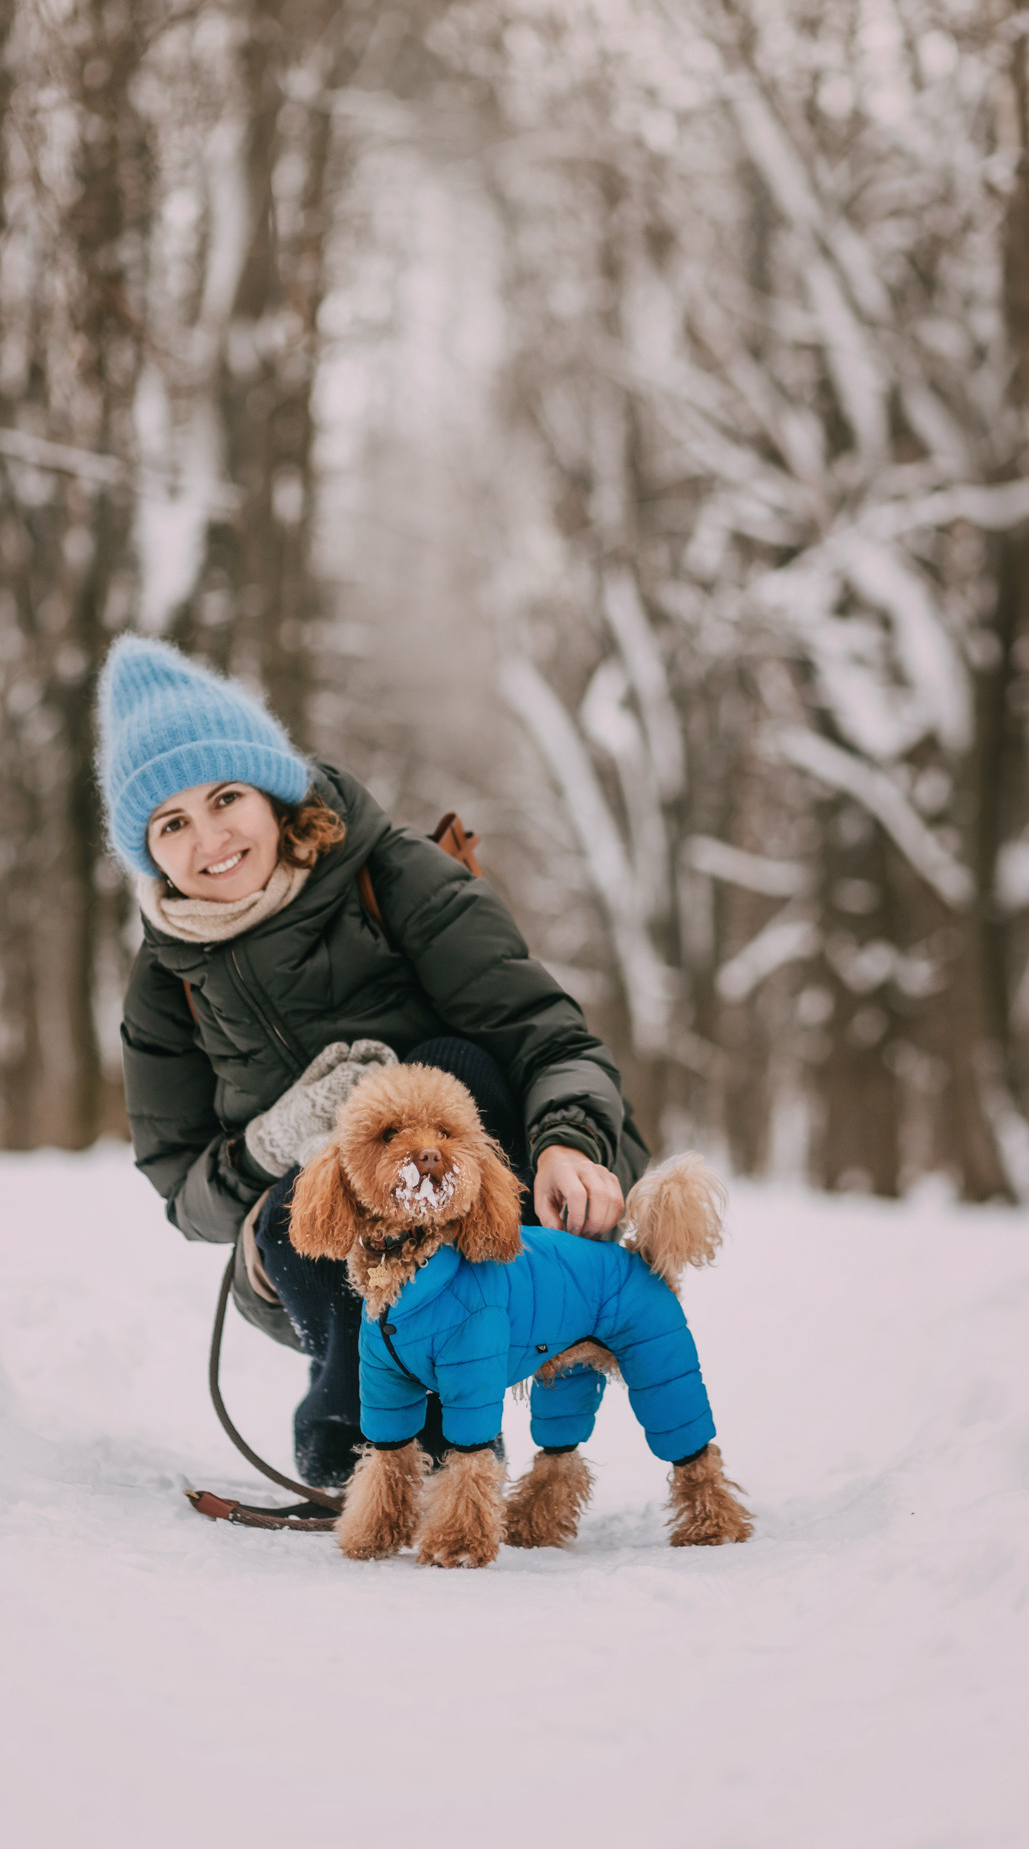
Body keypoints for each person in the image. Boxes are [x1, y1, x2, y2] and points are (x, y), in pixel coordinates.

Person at [97, 633, 649, 1487]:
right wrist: (267, 1145)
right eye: (171, 822)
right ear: (149, 852)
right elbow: (184, 1196)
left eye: (224, 796)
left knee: (445, 1064)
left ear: (273, 791)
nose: (209, 839)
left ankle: (450, 1430)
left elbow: (548, 1036)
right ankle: (363, 1437)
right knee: (308, 1188)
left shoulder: (392, 877)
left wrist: (572, 1139)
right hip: (305, 1251)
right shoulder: (166, 982)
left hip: (476, 1196)